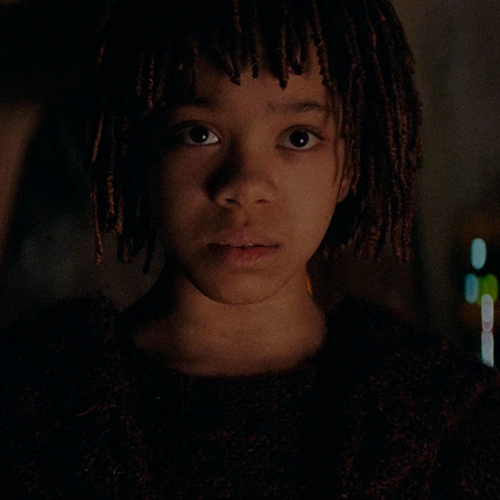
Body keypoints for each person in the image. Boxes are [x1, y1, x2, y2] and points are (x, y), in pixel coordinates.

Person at [1, 0, 499, 498]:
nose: (245, 185)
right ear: (138, 149)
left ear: (350, 164)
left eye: (298, 138)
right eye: (200, 134)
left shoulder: (450, 423)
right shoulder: (29, 405)